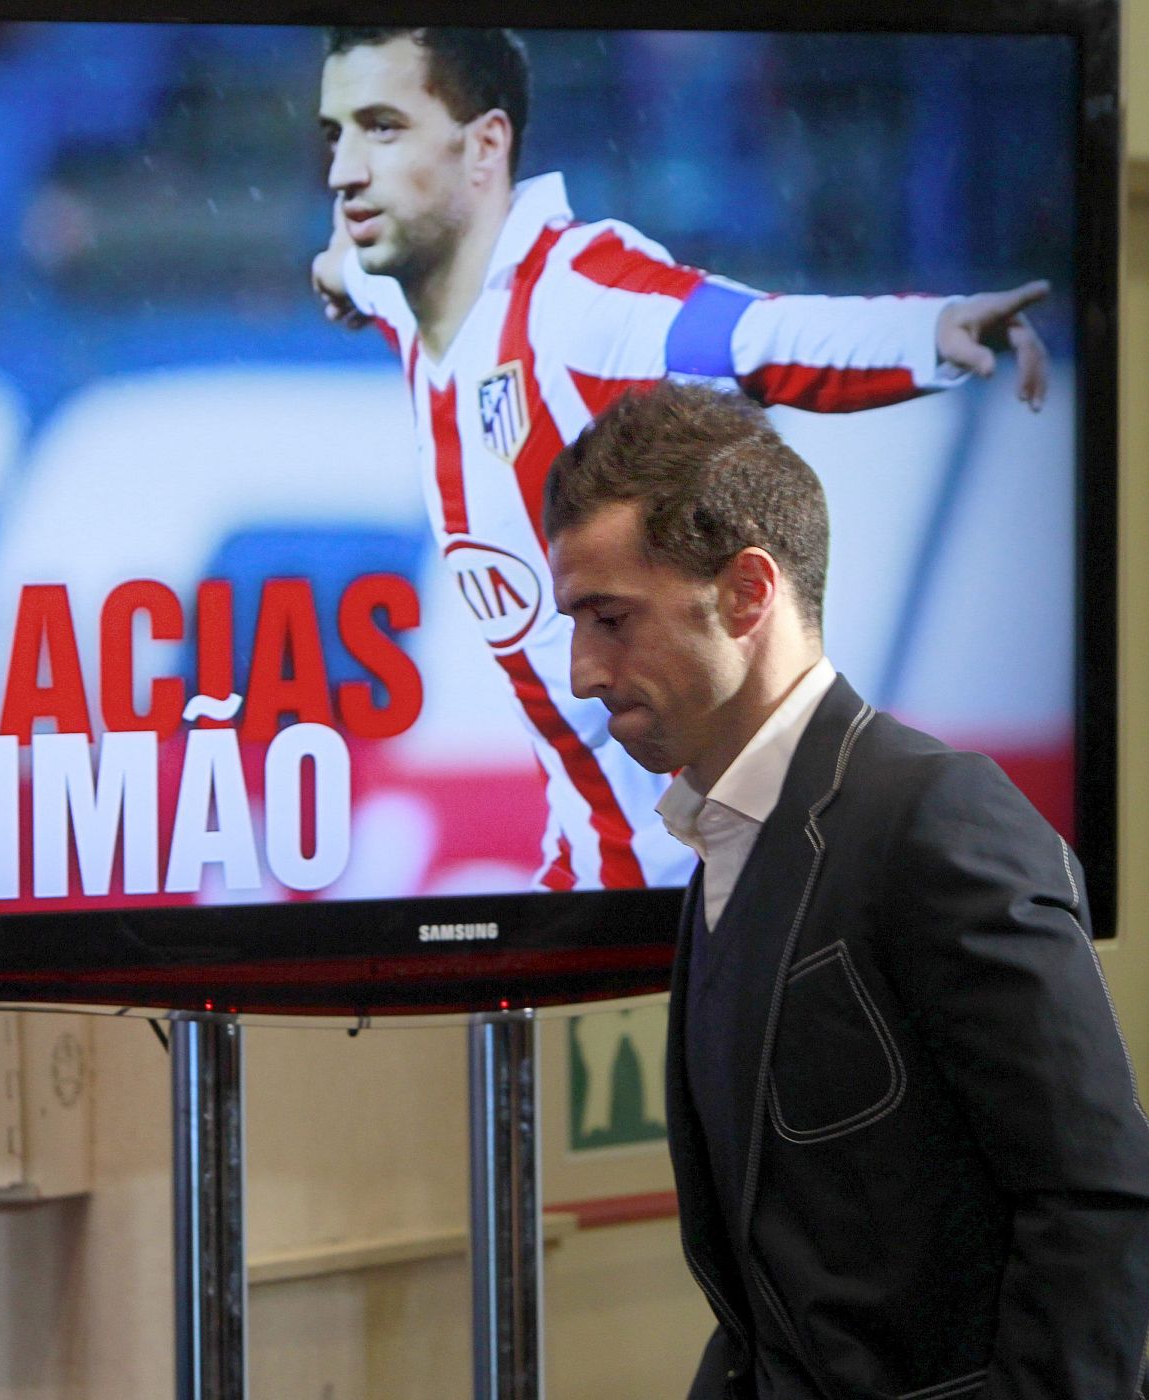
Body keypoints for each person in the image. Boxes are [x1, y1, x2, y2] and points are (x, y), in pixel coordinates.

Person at [313, 25, 1051, 893]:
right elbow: (349, 272)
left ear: (485, 146)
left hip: (701, 889)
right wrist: (338, 278)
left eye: (383, 127)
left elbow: (756, 335)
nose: (343, 171)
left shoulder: (573, 298)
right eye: (335, 135)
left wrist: (927, 331)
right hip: (597, 870)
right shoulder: (406, 285)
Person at [543, 378, 1149, 1400]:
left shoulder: (936, 816)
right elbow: (769, 1310)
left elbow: (1099, 1196)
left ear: (747, 592)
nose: (582, 671)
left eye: (611, 618)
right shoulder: (722, 850)